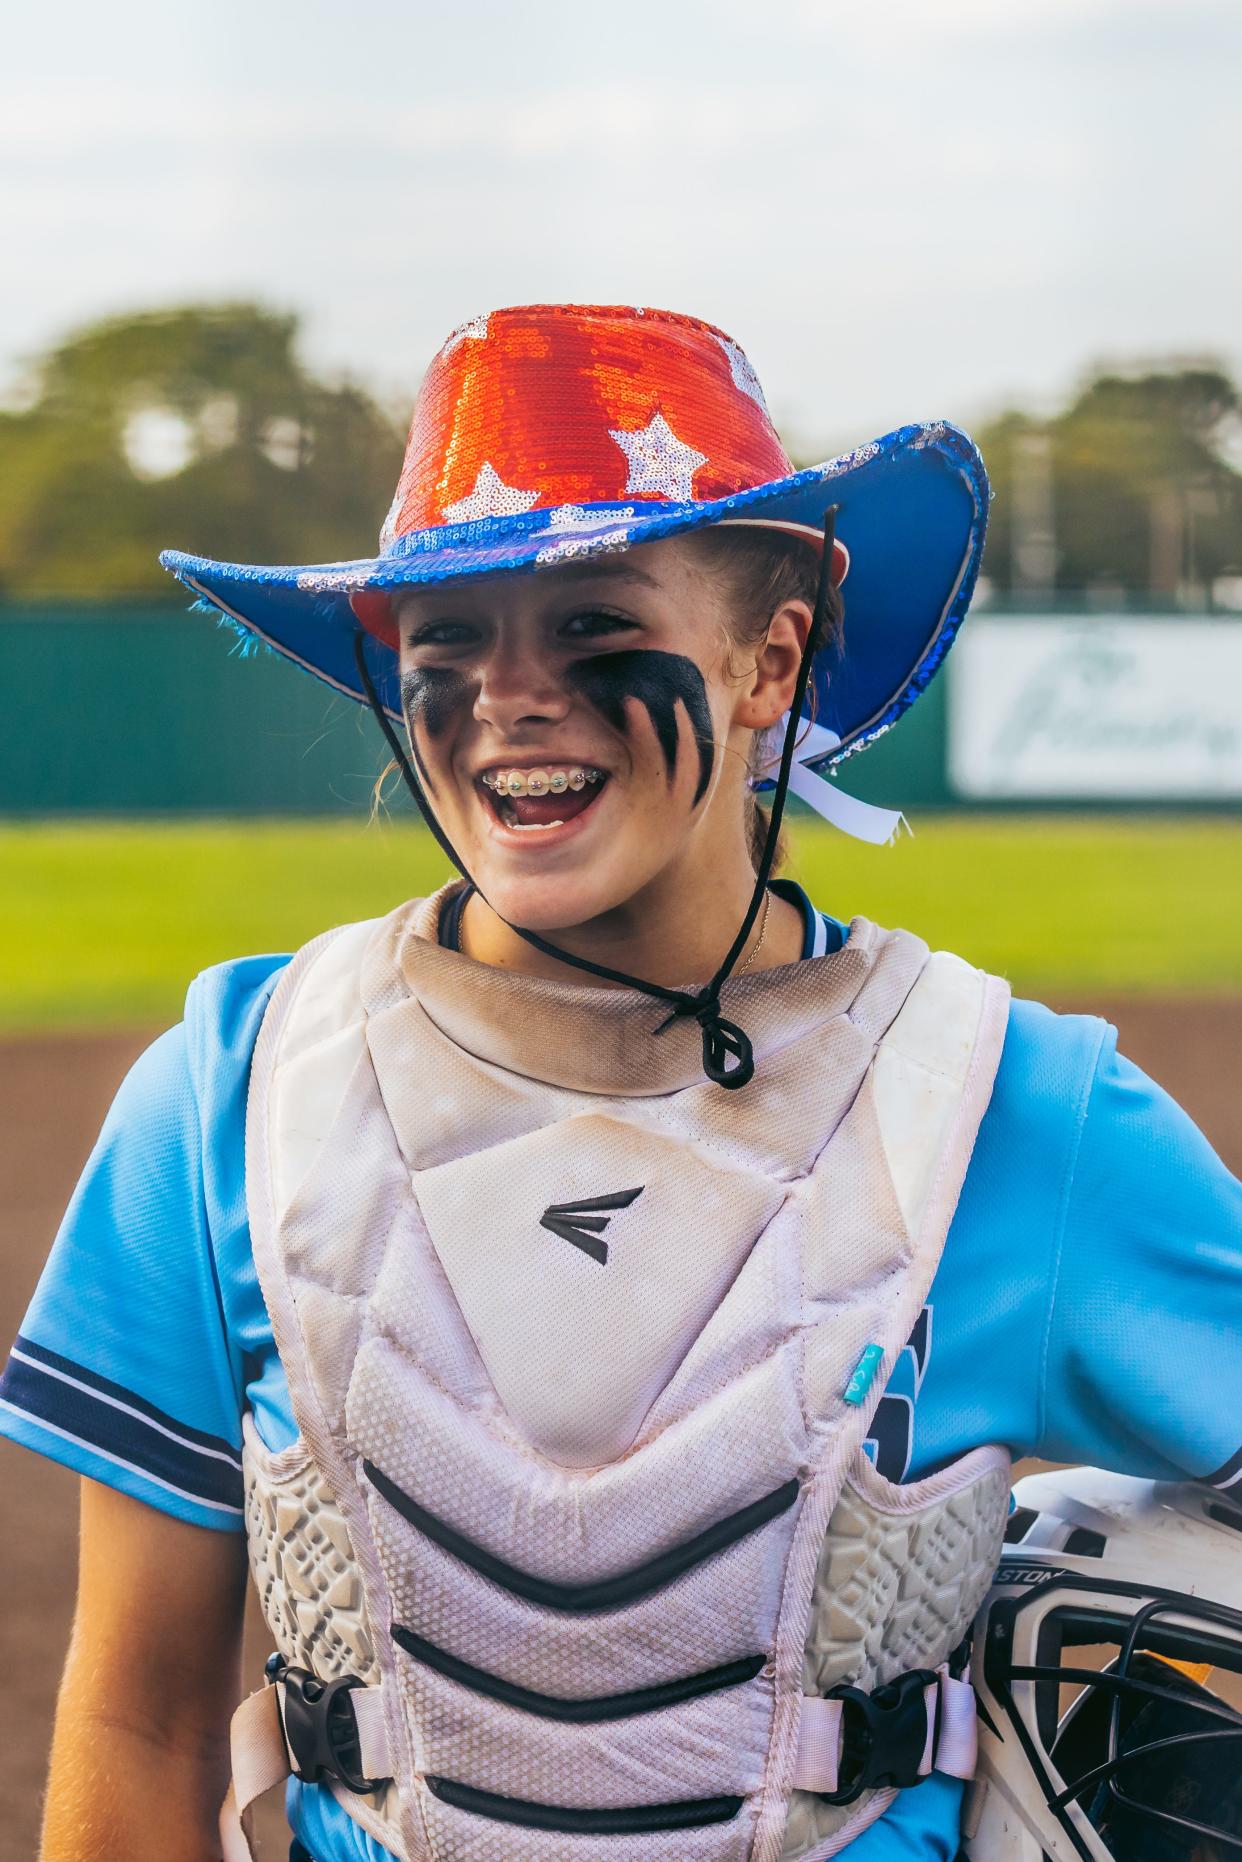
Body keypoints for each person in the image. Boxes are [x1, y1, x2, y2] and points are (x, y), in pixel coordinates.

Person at [2, 303, 1239, 1862]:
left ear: (765, 660)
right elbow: (139, 1718)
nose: (511, 693)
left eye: (593, 626)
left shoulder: (1009, 1107)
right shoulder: (231, 1095)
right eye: (447, 640)